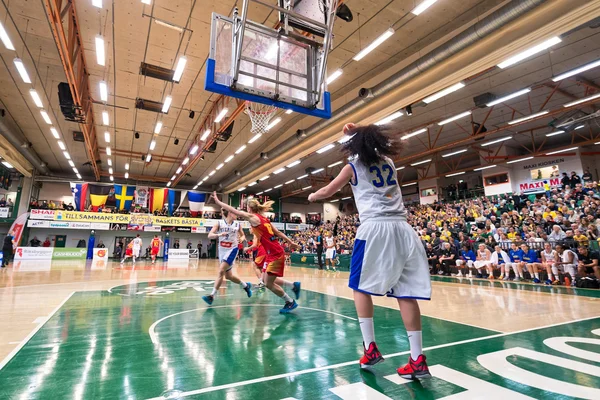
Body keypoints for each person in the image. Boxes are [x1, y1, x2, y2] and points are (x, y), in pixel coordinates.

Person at [307, 123, 432, 380]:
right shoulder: (389, 162)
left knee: (359, 287)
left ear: (353, 146)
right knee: (406, 293)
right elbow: (365, 142)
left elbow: (328, 191)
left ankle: (370, 349)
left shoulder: (351, 167)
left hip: (375, 229)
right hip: (403, 229)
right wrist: (355, 130)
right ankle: (417, 359)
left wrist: (312, 197)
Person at [211, 195, 301, 313]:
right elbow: (278, 232)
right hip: (271, 253)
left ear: (249, 208)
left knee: (268, 284)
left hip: (275, 254)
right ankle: (293, 285)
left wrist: (219, 202)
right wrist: (290, 242)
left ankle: (289, 301)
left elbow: (234, 211)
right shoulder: (264, 219)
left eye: (247, 208)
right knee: (264, 280)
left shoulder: (253, 218)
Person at [202, 208, 252, 305]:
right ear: (230, 213)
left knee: (221, 271)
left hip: (232, 250)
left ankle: (211, 296)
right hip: (222, 251)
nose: (237, 214)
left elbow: (243, 236)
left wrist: (241, 239)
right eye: (235, 213)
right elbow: (210, 235)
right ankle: (246, 285)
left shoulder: (237, 224)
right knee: (228, 276)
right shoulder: (219, 223)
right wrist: (219, 234)